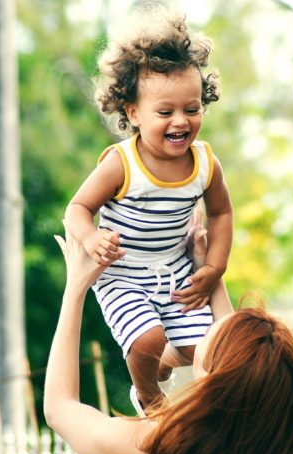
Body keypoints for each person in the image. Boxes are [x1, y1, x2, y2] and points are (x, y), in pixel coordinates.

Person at [63, 4, 233, 412]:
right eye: (165, 112)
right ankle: (149, 399)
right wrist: (91, 236)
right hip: (123, 274)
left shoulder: (205, 163)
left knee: (203, 349)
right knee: (147, 340)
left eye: (192, 109)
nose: (181, 121)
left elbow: (222, 214)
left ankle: (162, 364)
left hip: (174, 269)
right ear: (133, 113)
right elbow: (77, 208)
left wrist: (213, 269)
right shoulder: (122, 164)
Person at [44, 230, 293, 454]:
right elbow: (239, 360)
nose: (199, 336)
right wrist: (205, 269)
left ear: (212, 381)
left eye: (204, 341)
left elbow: (60, 408)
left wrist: (76, 286)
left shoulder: (155, 450)